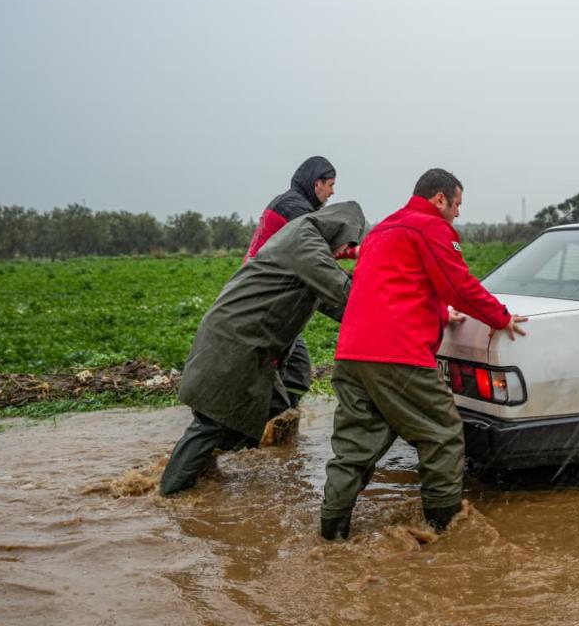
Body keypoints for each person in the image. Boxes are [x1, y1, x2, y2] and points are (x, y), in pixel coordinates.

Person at [319, 168, 527, 541]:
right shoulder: (429, 226)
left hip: (351, 356)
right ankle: (444, 530)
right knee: (443, 434)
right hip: (398, 356)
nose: (458, 214)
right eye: (457, 204)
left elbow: (400, 287)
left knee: (354, 447)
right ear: (440, 199)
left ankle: (331, 533)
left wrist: (440, 315)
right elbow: (457, 285)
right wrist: (501, 317)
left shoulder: (382, 231)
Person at [159, 201, 366, 496]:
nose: (343, 251)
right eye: (347, 243)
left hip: (247, 342)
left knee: (267, 412)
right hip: (235, 340)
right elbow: (344, 294)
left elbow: (337, 304)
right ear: (339, 228)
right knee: (212, 422)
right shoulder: (305, 240)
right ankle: (170, 495)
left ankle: (201, 479)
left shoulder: (307, 245)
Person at [244, 156, 341, 405]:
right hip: (266, 301)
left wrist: (351, 250)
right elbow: (316, 260)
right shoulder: (296, 209)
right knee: (277, 369)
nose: (332, 191)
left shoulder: (290, 203)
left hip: (266, 298)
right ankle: (269, 423)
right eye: (330, 184)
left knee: (296, 369)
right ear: (316, 183)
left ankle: (281, 429)